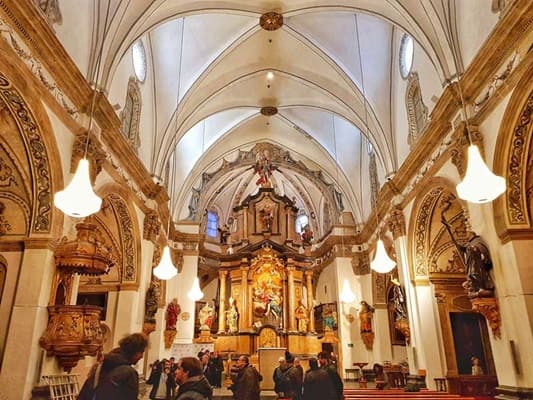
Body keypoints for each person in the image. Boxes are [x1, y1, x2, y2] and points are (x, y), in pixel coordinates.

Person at [78, 333, 149, 400]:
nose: (141, 356)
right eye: (141, 352)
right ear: (134, 351)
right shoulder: (129, 372)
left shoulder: (103, 364)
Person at [441, 216, 495, 298]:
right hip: (470, 264)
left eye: (468, 234)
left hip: (477, 264)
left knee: (475, 274)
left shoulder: (477, 241)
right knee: (472, 275)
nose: (467, 236)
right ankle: (478, 289)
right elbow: (459, 246)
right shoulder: (469, 244)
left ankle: (481, 288)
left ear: (472, 235)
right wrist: (450, 235)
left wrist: (476, 250)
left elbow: (482, 250)